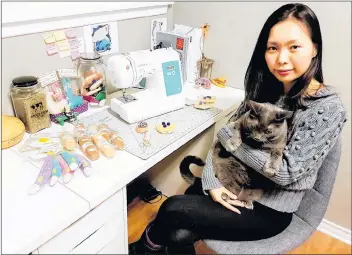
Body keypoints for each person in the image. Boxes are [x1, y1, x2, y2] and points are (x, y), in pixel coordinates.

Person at [129, 3, 347, 254]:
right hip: (233, 183)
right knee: (179, 232)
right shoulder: (268, 89)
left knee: (171, 208)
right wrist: (211, 183)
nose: (281, 59)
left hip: (269, 209)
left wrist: (233, 140)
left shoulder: (327, 109)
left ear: (314, 48)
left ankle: (143, 248)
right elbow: (221, 143)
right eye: (272, 48)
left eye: (294, 47)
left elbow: (285, 173)